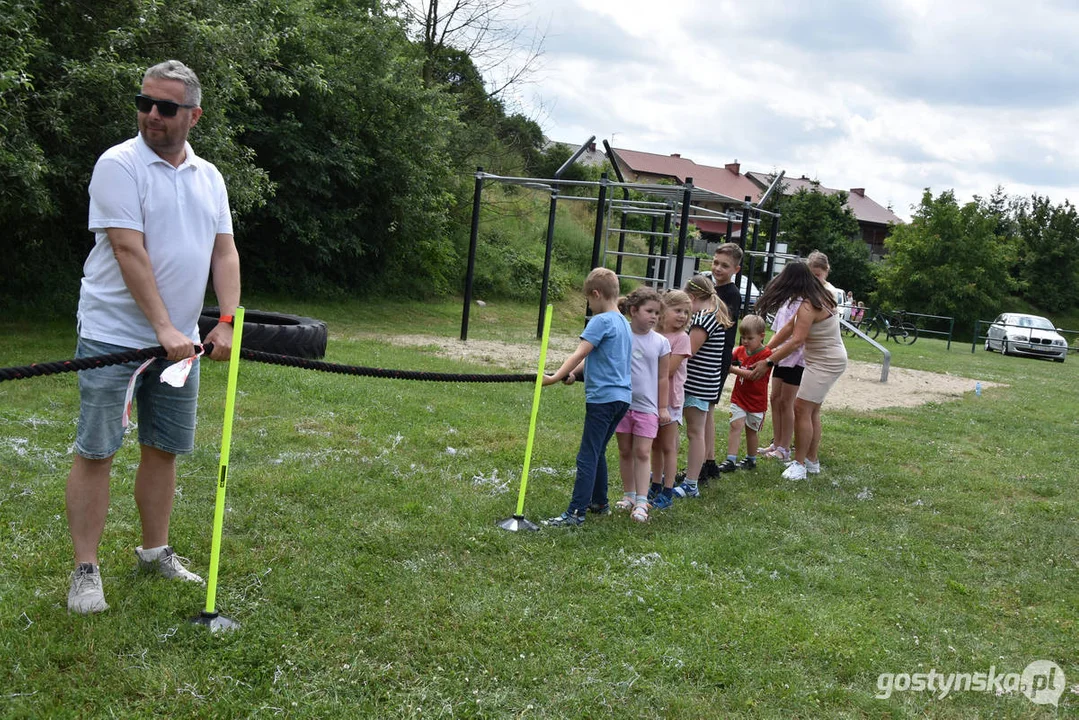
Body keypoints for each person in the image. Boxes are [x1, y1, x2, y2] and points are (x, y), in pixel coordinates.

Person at [65, 60, 240, 614]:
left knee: (162, 450)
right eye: (144, 103)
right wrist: (163, 327)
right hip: (113, 335)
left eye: (165, 107)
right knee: (97, 451)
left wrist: (227, 320)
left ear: (193, 115)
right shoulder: (119, 165)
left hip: (181, 342)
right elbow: (127, 249)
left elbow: (224, 251)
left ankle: (154, 551)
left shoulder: (209, 176)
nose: (151, 116)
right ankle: (85, 570)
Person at [542, 268, 632, 527]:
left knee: (587, 455)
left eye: (589, 301)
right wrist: (572, 375)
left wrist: (554, 376)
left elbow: (580, 353)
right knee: (598, 450)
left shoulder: (601, 321)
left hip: (603, 400)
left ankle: (575, 513)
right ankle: (599, 502)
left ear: (596, 294)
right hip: (621, 398)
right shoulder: (623, 324)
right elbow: (601, 360)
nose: (590, 306)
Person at [749, 259, 847, 481]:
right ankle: (812, 461)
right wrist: (764, 350)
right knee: (811, 410)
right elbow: (787, 329)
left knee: (801, 407)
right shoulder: (812, 298)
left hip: (826, 361)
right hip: (823, 359)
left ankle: (800, 464)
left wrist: (768, 362)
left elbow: (796, 341)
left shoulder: (809, 304)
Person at [612, 288, 670, 523]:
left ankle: (642, 500)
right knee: (625, 451)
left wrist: (663, 407)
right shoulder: (621, 334)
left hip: (647, 407)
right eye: (649, 311)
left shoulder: (661, 342)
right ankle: (629, 495)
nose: (654, 316)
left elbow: (663, 377)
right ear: (633, 311)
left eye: (657, 312)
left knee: (643, 452)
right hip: (622, 403)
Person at [674, 275, 733, 498]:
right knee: (695, 432)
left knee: (694, 433)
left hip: (696, 385)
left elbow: (688, 351)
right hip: (705, 384)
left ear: (692, 297)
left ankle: (691, 483)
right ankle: (687, 479)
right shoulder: (713, 313)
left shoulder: (703, 319)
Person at [700, 243, 743, 481]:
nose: (718, 268)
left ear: (736, 269)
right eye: (715, 262)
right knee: (706, 411)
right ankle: (709, 461)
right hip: (711, 355)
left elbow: (718, 323)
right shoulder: (714, 288)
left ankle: (706, 463)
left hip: (717, 357)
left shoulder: (730, 294)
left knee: (705, 410)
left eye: (724, 265)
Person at [648, 290, 692, 511]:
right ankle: (655, 484)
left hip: (670, 401)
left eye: (686, 312)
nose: (682, 316)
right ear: (663, 311)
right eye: (677, 310)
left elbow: (669, 369)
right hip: (650, 397)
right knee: (654, 445)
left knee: (668, 447)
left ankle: (667, 490)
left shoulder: (682, 339)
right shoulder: (654, 334)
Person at [717, 315, 773, 472]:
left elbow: (752, 375)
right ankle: (730, 460)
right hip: (739, 398)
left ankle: (751, 459)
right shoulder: (741, 351)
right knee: (735, 425)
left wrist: (732, 369)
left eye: (750, 338)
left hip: (756, 402)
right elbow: (729, 357)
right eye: (743, 337)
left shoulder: (765, 355)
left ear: (762, 336)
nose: (745, 341)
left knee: (751, 431)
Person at [759, 296, 805, 462]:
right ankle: (776, 443)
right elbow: (780, 332)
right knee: (775, 398)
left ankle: (784, 448)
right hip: (780, 357)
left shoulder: (805, 304)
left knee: (787, 402)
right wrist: (765, 351)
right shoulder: (785, 302)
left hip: (797, 359)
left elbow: (797, 338)